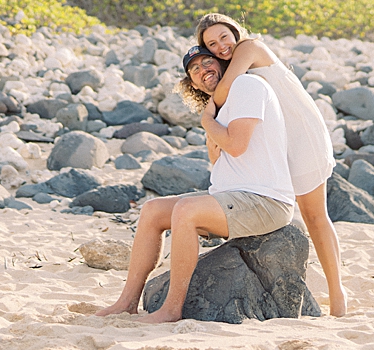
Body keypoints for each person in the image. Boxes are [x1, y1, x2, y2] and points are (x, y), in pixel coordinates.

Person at [95, 45, 296, 323]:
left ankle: (171, 309)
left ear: (223, 63)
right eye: (195, 70)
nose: (204, 70)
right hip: (236, 196)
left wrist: (206, 121)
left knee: (187, 211)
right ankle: (127, 301)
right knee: (152, 211)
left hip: (266, 201)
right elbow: (221, 162)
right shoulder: (224, 106)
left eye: (207, 62)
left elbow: (236, 146)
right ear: (192, 83)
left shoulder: (246, 86)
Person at [194, 13, 346, 317]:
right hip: (273, 141)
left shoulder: (250, 47)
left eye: (224, 37)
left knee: (315, 216)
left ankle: (337, 293)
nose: (221, 46)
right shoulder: (235, 71)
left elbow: (222, 91)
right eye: (212, 44)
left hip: (300, 134)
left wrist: (209, 111)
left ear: (235, 32)